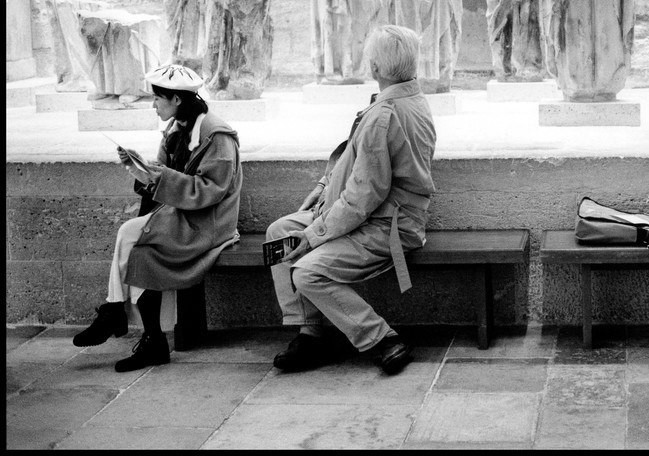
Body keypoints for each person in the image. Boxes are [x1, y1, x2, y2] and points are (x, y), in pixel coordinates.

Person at [266, 25, 437, 376]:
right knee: (279, 232)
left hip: (386, 225)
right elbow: (355, 168)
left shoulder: (384, 115)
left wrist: (313, 235)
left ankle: (382, 339)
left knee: (307, 271)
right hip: (362, 214)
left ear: (375, 68)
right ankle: (310, 333)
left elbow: (363, 198)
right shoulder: (410, 100)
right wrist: (321, 191)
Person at [72, 64, 243, 372]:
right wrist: (138, 168)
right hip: (180, 217)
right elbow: (161, 179)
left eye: (157, 99)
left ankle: (117, 314)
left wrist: (160, 175)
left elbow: (211, 190)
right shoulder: (176, 129)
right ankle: (146, 336)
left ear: (176, 99)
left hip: (208, 224)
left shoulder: (216, 135)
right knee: (140, 249)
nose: (153, 105)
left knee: (129, 233)